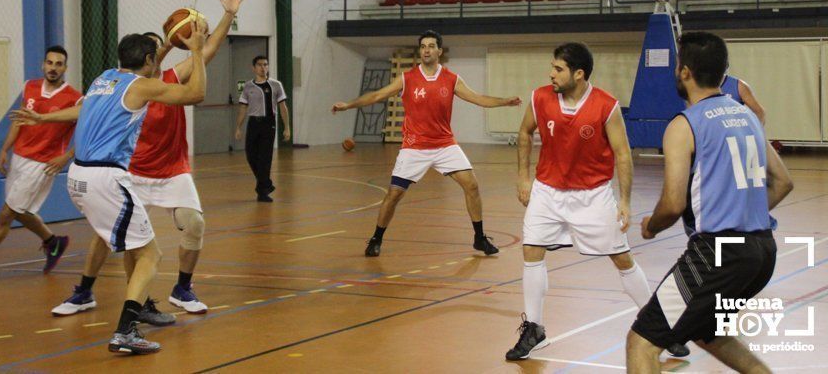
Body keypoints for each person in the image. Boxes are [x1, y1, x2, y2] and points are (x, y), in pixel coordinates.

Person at [51, 0, 245, 320]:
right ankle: (86, 291)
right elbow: (89, 118)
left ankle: (182, 289)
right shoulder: (129, 86)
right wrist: (171, 42)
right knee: (108, 234)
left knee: (194, 224)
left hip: (172, 169)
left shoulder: (168, 77)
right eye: (156, 49)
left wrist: (228, 15)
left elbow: (209, 50)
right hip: (133, 170)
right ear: (149, 57)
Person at [13, 25, 208, 355]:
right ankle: (125, 331)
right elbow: (195, 95)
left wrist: (44, 119)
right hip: (106, 180)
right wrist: (198, 51)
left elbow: (81, 110)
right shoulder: (142, 85)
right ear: (149, 59)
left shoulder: (103, 79)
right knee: (150, 254)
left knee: (129, 244)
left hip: (78, 177)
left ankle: (121, 303)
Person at [505, 43, 690, 361]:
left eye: (558, 69)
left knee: (622, 259)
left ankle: (662, 328)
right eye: (551, 67)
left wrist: (625, 201)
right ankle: (534, 328)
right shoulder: (540, 98)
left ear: (579, 74)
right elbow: (524, 133)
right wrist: (523, 177)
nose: (551, 73)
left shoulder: (606, 106)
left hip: (592, 195)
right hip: (547, 192)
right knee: (531, 251)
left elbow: (622, 154)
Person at [626, 31, 794, 374]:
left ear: (685, 72)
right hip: (762, 251)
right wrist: (747, 213)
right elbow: (783, 182)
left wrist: (651, 226)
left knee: (642, 342)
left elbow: (672, 204)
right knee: (710, 333)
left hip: (717, 253)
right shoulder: (745, 115)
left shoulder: (684, 124)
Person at [331, 30, 521, 257]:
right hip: (414, 147)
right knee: (393, 195)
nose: (427, 50)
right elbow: (376, 96)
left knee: (471, 185)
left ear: (439, 51)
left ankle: (479, 238)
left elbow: (478, 98)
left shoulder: (451, 79)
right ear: (420, 51)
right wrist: (348, 105)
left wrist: (505, 102)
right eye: (423, 46)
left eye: (431, 46)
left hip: (444, 145)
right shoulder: (407, 78)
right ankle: (376, 238)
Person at [0, 46, 81, 285]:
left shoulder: (75, 98)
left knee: (6, 214)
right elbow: (18, 121)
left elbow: (89, 132)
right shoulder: (30, 86)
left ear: (65, 68)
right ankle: (53, 242)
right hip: (19, 157)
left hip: (42, 164)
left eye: (59, 64)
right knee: (20, 210)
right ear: (43, 65)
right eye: (50, 63)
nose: (53, 68)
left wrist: (67, 156)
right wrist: (6, 149)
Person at [234, 56, 291, 202]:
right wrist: (238, 127)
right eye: (259, 65)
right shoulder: (248, 86)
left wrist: (287, 127)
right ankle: (266, 183)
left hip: (268, 124)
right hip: (253, 123)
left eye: (265, 64)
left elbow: (283, 107)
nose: (263, 67)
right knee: (251, 155)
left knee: (265, 158)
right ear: (254, 68)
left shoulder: (275, 85)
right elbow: (243, 107)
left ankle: (262, 192)